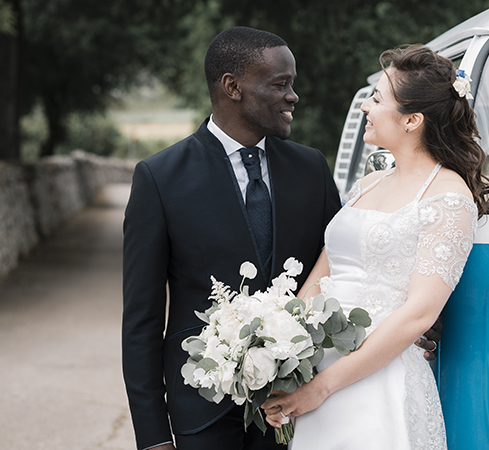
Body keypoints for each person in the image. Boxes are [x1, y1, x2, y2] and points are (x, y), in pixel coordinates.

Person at [122, 27, 440, 450]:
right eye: (280, 84)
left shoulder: (310, 168)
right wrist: (152, 436)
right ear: (232, 87)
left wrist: (412, 321)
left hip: (301, 406)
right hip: (201, 408)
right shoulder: (160, 178)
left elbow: (346, 268)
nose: (293, 96)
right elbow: (141, 321)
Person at [261, 45, 489, 449]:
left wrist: (325, 387)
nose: (366, 105)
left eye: (378, 98)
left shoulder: (449, 198)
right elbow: (321, 273)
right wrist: (285, 352)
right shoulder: (368, 184)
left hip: (377, 380)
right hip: (315, 373)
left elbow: (419, 314)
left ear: (412, 120)